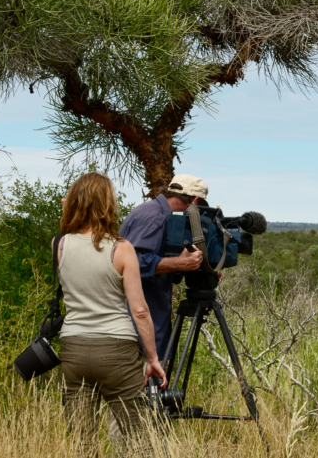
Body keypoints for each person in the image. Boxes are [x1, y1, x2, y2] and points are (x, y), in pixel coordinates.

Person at [55, 172, 167, 456]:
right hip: (117, 349)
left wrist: (68, 209)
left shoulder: (60, 245)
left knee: (82, 441)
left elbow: (71, 234)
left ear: (73, 202)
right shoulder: (121, 248)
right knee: (139, 437)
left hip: (73, 348)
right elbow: (139, 310)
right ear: (108, 204)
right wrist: (152, 359)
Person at [118, 174, 207, 358]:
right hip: (140, 323)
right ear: (195, 201)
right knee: (144, 374)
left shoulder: (152, 211)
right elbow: (132, 263)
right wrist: (179, 263)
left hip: (147, 315)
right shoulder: (155, 217)